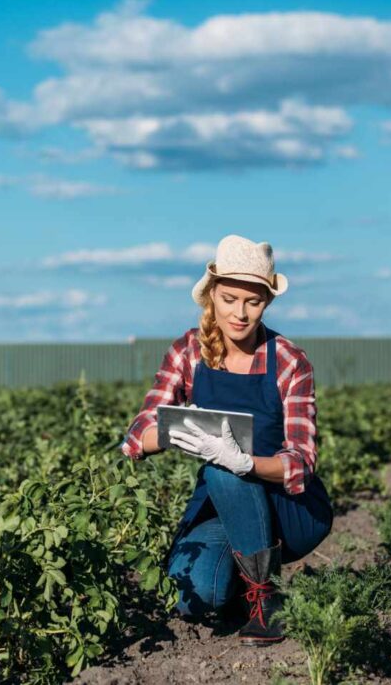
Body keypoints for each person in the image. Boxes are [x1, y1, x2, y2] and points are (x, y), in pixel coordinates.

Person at [120, 234, 333, 646]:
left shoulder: (288, 360)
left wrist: (244, 463)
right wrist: (176, 432)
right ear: (211, 297)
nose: (240, 313)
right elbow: (135, 437)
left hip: (290, 509)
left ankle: (265, 598)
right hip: (229, 507)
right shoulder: (189, 352)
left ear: (266, 303)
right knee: (193, 596)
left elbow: (302, 461)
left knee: (224, 473)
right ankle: (238, 582)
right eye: (230, 299)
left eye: (252, 302)